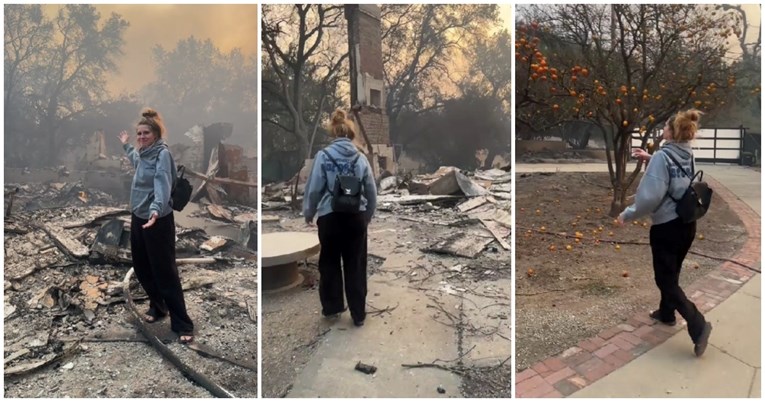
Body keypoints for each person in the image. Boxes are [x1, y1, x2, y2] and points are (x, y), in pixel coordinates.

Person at [618, 109, 712, 357]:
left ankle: (698, 325)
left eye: (665, 127)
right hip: (687, 224)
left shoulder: (663, 156)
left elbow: (650, 197)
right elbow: (678, 177)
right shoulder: (686, 153)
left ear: (671, 131)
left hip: (667, 227)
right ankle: (666, 313)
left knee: (665, 279)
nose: (663, 130)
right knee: (673, 271)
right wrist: (652, 158)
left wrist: (628, 214)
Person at [119, 108, 194, 343]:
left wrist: (155, 211)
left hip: (157, 220)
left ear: (156, 134)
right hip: (139, 217)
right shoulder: (142, 154)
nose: (141, 137)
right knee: (142, 267)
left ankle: (182, 323)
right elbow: (135, 160)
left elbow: (162, 183)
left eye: (145, 133)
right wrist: (126, 145)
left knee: (165, 272)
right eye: (138, 133)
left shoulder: (162, 155)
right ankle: (158, 306)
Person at [303, 109, 377, 327]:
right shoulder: (360, 157)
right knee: (355, 265)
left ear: (334, 133)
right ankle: (358, 314)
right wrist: (368, 214)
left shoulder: (323, 156)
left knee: (329, 264)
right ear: (351, 134)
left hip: (330, 218)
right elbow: (371, 191)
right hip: (356, 218)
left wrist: (309, 212)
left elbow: (314, 189)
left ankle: (333, 309)